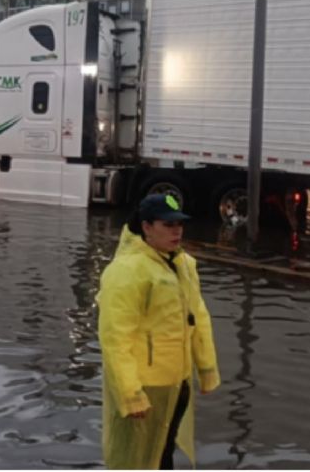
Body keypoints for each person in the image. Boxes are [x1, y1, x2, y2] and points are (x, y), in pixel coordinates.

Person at [97, 194, 221, 469]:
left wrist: (206, 369)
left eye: (179, 224)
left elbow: (198, 318)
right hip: (145, 388)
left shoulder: (183, 264)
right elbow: (115, 339)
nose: (177, 231)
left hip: (177, 384)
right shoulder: (127, 271)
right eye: (167, 224)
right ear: (146, 227)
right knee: (135, 458)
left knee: (163, 453)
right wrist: (130, 394)